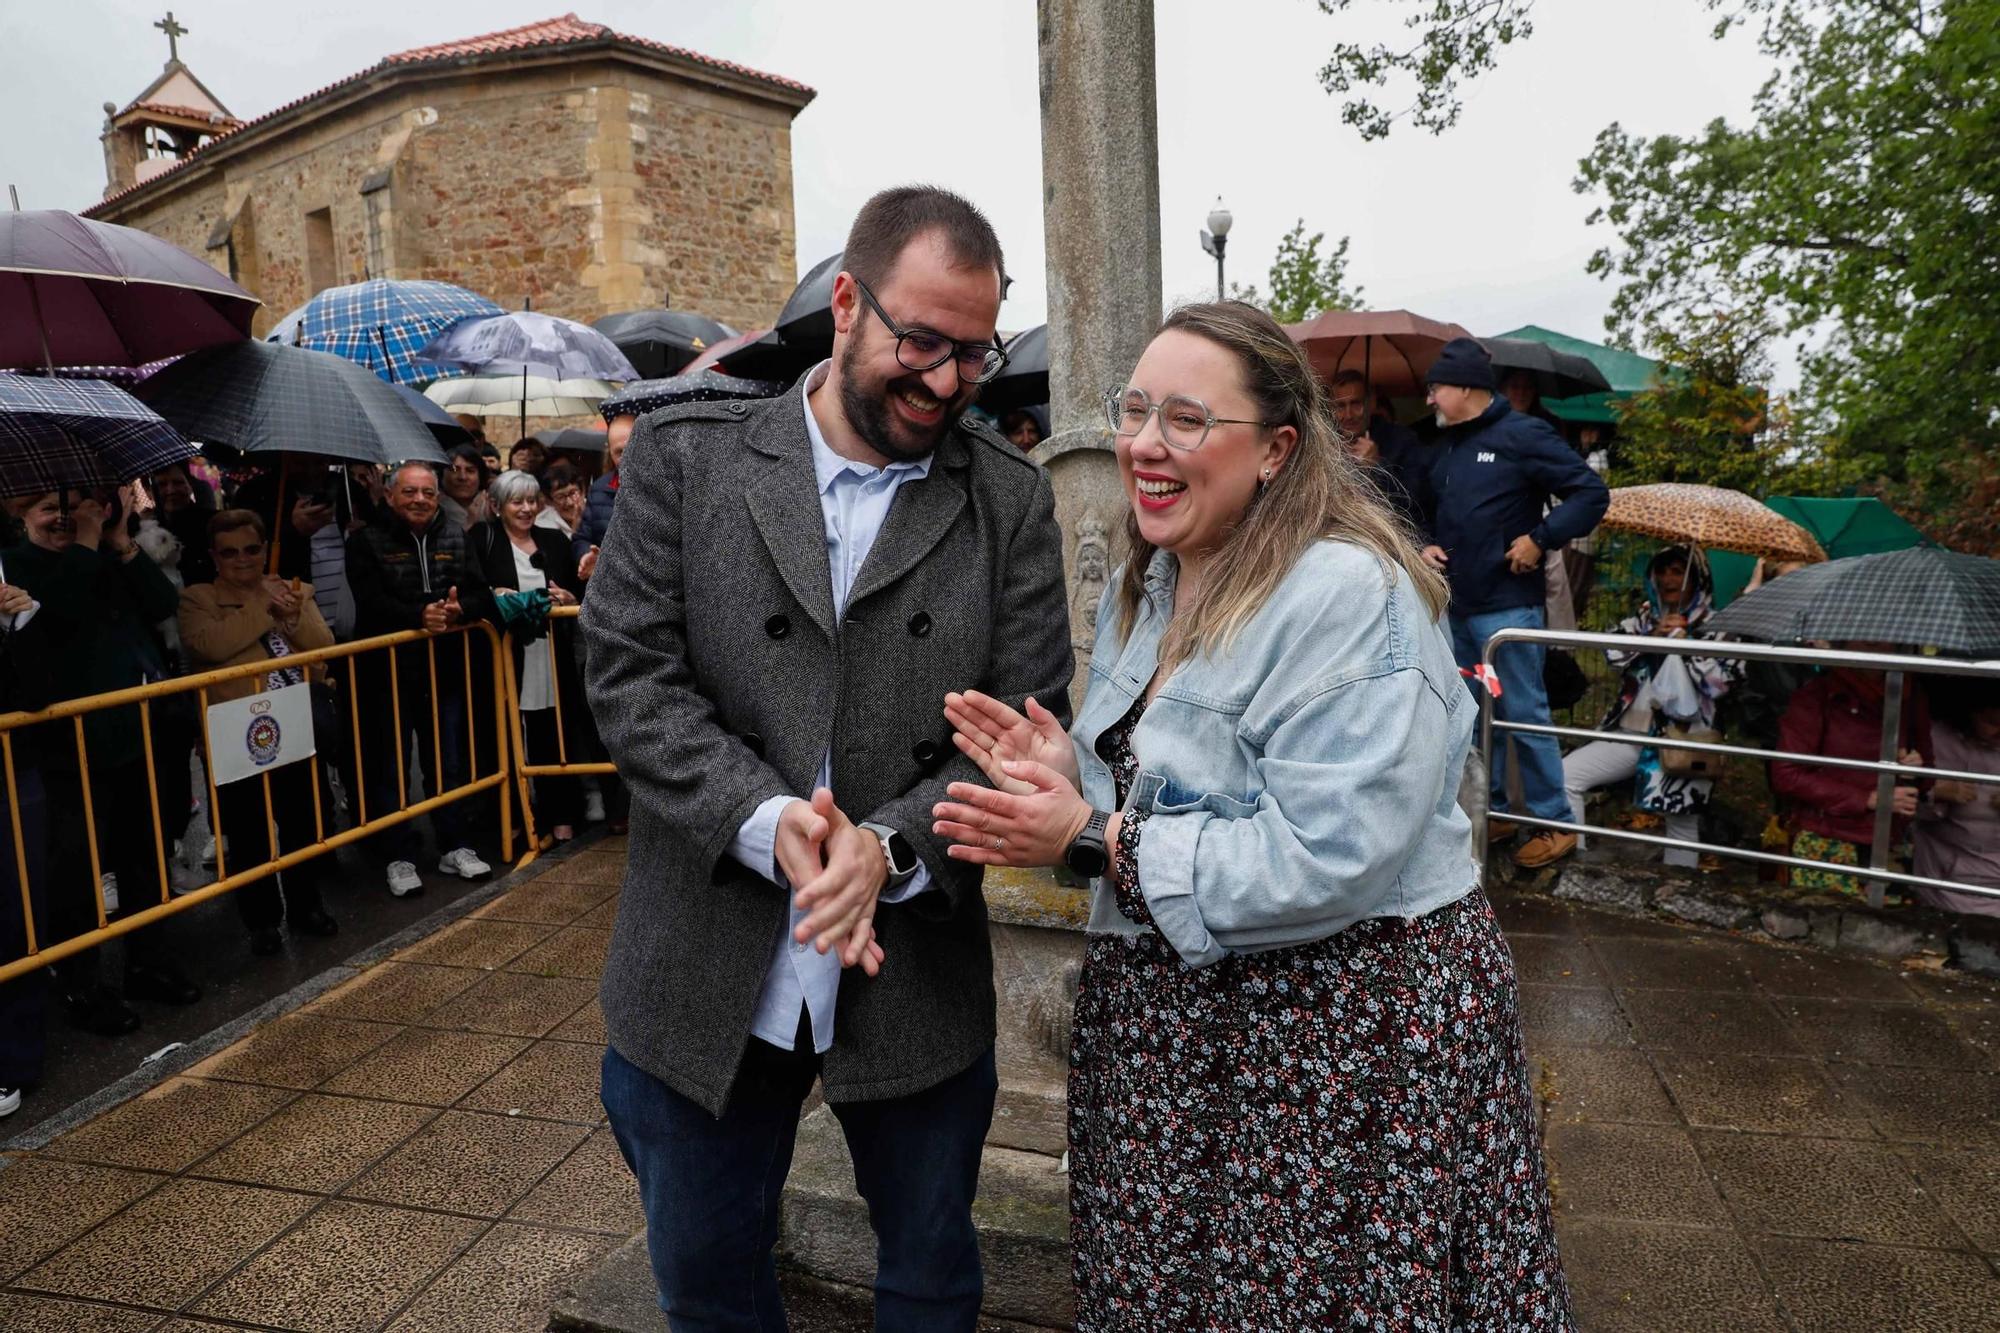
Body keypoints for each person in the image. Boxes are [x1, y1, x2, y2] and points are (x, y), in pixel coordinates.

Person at [933, 301, 1570, 1329]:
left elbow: (1332, 857)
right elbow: (1167, 792)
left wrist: (1089, 837)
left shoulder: (1348, 592)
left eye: (1186, 420)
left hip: (1341, 1035)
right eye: (1135, 411)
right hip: (1180, 1036)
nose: (1142, 443)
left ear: (1276, 448)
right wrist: (1071, 779)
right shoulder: (1152, 578)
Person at [583, 185, 1073, 1331]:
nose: (949, 381)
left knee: (930, 1284)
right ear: (846, 302)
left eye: (974, 350)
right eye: (921, 341)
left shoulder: (1008, 501)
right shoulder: (685, 456)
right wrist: (772, 827)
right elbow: (629, 679)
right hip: (700, 962)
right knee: (707, 1289)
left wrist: (886, 848)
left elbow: (1019, 726)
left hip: (914, 977)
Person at [4, 487, 202, 1034]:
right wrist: (88, 542)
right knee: (76, 869)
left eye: (79, 508)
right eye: (50, 510)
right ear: (21, 516)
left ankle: (147, 961)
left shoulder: (108, 553)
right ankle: (81, 984)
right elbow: (62, 610)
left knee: (143, 852)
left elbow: (163, 606)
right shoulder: (18, 566)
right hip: (67, 744)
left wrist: (120, 543)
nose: (66, 520)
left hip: (132, 732)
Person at [1420, 336, 1609, 868]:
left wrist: (1541, 538)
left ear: (1466, 387)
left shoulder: (1524, 434)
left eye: (1436, 388)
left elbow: (1591, 494)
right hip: (1458, 607)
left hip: (1507, 609)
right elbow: (1433, 510)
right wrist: (1425, 541)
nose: (1430, 399)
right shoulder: (1450, 444)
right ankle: (1494, 810)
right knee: (1474, 714)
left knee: (1523, 710)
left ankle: (1554, 822)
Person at [177, 510, 340, 954]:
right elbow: (211, 645)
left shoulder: (294, 589)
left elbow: (323, 646)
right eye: (229, 552)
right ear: (213, 556)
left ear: (264, 548)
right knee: (248, 832)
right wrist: (262, 608)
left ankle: (307, 905)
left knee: (302, 822)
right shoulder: (198, 598)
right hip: (235, 730)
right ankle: (262, 920)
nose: (242, 560)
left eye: (251, 549)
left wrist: (291, 614)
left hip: (293, 722)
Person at [346, 461, 495, 896]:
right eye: (410, 492)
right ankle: (399, 854)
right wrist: (418, 616)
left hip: (444, 670)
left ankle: (454, 845)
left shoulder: (457, 536)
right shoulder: (364, 540)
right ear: (390, 495)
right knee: (390, 768)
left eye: (428, 493)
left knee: (447, 761)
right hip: (387, 673)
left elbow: (480, 592)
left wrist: (457, 610)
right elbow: (369, 602)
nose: (419, 500)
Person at [1561, 546, 1737, 868]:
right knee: (1566, 776)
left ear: (1697, 580)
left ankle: (1677, 893)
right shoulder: (1643, 619)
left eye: (1678, 571)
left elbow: (1722, 682)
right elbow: (1610, 653)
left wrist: (1685, 645)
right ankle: (1575, 865)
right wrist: (1652, 637)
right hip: (1631, 733)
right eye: (1662, 570)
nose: (1669, 579)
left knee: (1680, 820)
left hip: (1686, 740)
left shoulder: (1718, 627)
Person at [467, 471, 593, 844]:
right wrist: (498, 596)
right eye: (516, 501)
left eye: (532, 500)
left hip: (550, 653)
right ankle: (513, 816)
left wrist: (570, 599)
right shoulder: (482, 540)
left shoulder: (554, 540)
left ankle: (561, 813)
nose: (526, 509)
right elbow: (474, 591)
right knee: (502, 734)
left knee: (553, 731)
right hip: (505, 654)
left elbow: (577, 587)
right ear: (498, 506)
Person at [1772, 644, 1932, 897]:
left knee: (1892, 930)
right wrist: (1867, 798)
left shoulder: (1912, 696)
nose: (1880, 646)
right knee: (1822, 924)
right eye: (1868, 640)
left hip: (1892, 840)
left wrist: (1914, 767)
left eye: (1886, 640)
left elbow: (1927, 776)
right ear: (1845, 641)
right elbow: (1786, 773)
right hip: (1828, 836)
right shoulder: (1817, 695)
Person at [0, 558, 53, 1118]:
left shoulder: (15, 614)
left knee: (15, 919)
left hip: (11, 781)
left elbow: (38, 695)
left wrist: (22, 624)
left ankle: (13, 1059)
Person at [1911, 681, 1999, 914]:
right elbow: (1908, 805)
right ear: (1971, 714)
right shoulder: (1939, 740)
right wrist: (1939, 791)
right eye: (1992, 723)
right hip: (1948, 868)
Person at [1329, 368, 1427, 528]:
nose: (1348, 415)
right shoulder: (1327, 443)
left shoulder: (1402, 441)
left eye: (1356, 404)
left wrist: (1377, 467)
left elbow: (1415, 507)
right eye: (1340, 406)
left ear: (1372, 402)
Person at [573, 414, 630, 564]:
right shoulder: (599, 489)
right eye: (620, 452)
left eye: (633, 448)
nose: (627, 457)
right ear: (610, 454)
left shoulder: (667, 487)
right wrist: (587, 555)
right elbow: (582, 539)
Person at [437, 445, 493, 533]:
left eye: (470, 471)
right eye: (455, 470)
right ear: (442, 474)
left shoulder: (493, 508)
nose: (463, 477)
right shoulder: (432, 511)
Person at [535, 461, 587, 542]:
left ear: (582, 491)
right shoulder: (542, 525)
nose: (569, 502)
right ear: (549, 501)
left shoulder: (596, 511)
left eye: (572, 493)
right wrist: (576, 531)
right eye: (560, 497)